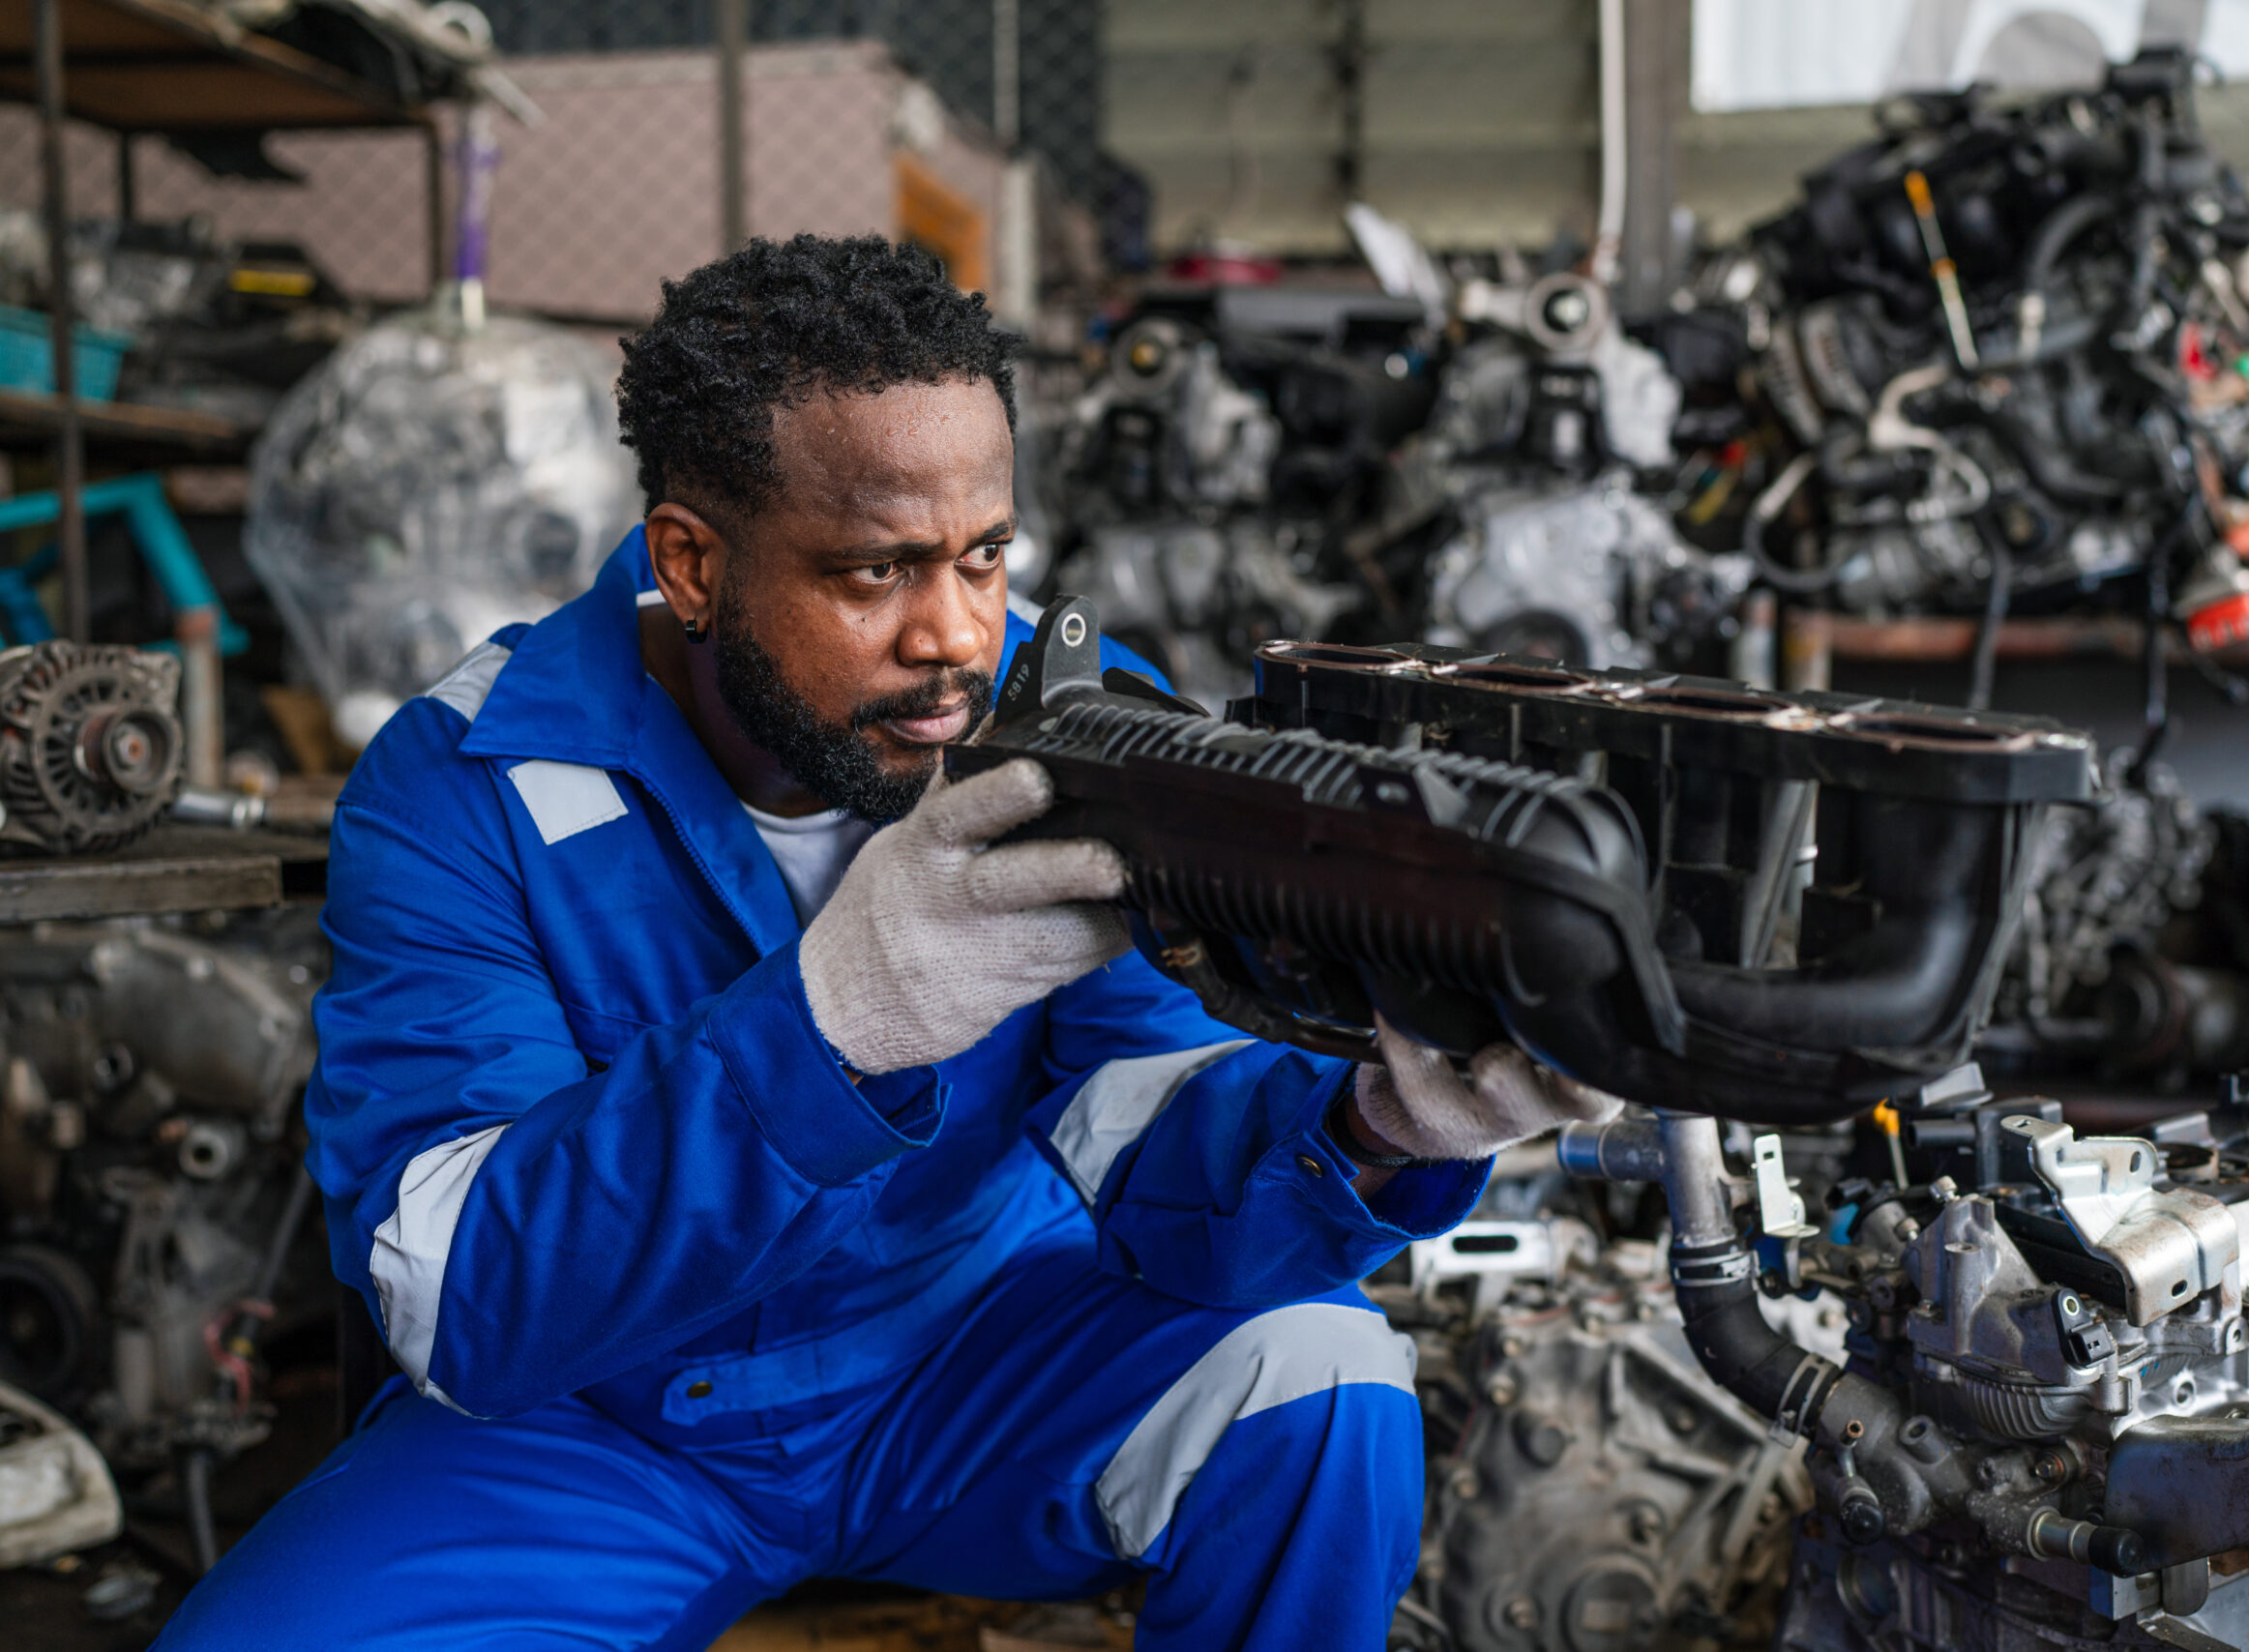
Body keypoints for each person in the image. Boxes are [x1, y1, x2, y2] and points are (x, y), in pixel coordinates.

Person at [158, 234, 1616, 1650]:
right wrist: (832, 1025)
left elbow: (1150, 1152)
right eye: (877, 573)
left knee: (1326, 1373)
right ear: (691, 562)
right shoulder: (466, 783)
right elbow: (463, 1295)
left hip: (975, 1363)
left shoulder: (1071, 720)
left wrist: (1371, 1125)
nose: (958, 637)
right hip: (606, 1427)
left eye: (986, 556)